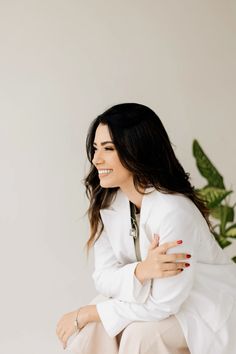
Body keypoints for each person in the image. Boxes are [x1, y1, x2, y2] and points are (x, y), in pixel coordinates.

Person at [56, 103, 236, 354]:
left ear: (136, 150)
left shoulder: (173, 211)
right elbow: (103, 278)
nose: (96, 159)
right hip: (149, 298)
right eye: (96, 148)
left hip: (201, 308)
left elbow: (165, 303)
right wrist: (142, 271)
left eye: (108, 148)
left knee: (140, 336)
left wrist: (90, 312)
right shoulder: (109, 202)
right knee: (96, 327)